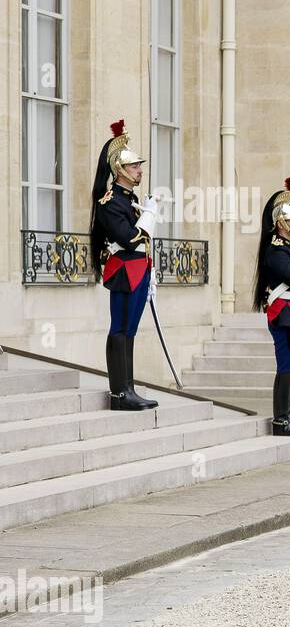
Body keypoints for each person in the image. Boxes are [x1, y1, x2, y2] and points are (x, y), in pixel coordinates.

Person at [89, 119, 159, 412]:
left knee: (130, 330)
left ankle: (128, 387)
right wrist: (149, 218)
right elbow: (129, 239)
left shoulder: (131, 201)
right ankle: (119, 392)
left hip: (138, 270)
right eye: (135, 167)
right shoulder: (110, 202)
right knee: (120, 329)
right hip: (124, 271)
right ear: (120, 170)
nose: (140, 170)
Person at [252, 177, 290, 436]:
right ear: (281, 223)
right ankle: (281, 420)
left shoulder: (287, 249)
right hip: (286, 315)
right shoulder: (276, 251)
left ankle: (287, 417)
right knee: (287, 364)